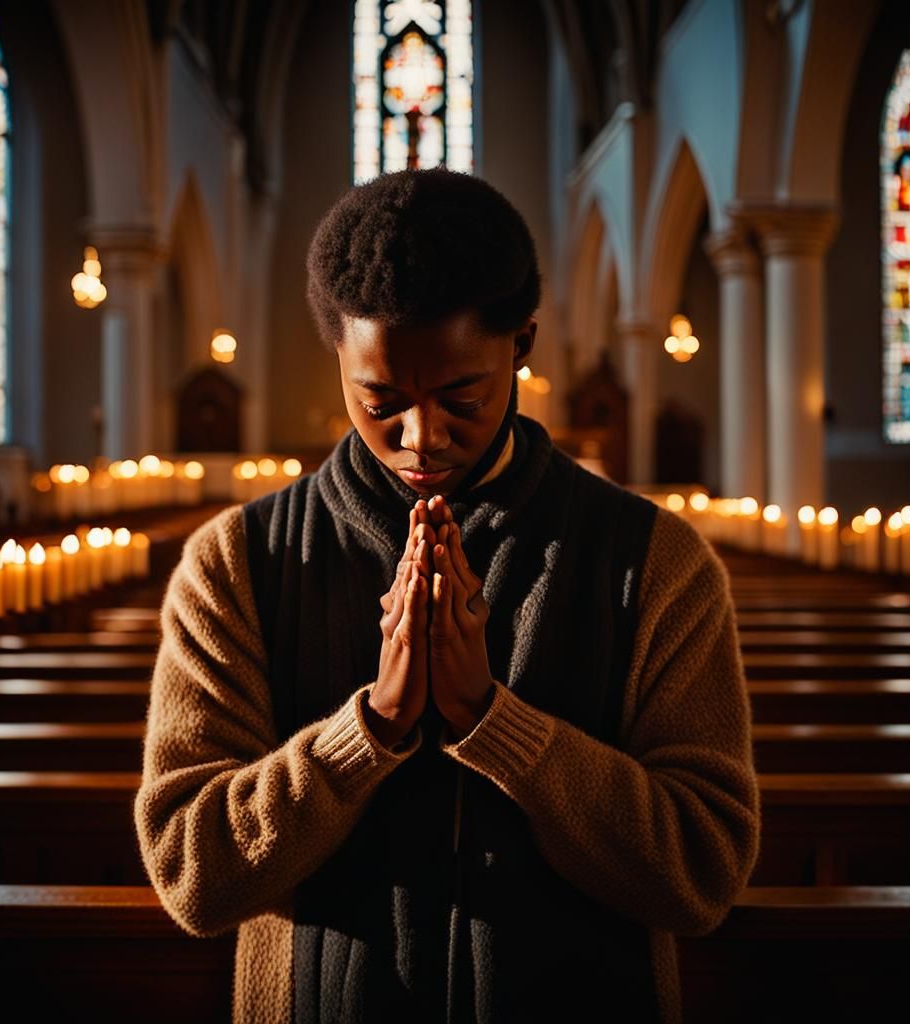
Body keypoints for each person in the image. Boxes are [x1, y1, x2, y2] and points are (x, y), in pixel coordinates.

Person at [135, 168, 761, 1024]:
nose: (420, 437)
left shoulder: (655, 563)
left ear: (522, 344)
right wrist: (373, 728)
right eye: (380, 399)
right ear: (340, 359)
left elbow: (702, 870)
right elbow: (190, 874)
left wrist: (490, 722)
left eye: (461, 396)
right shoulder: (236, 563)